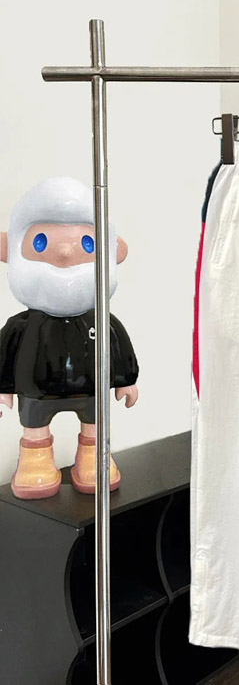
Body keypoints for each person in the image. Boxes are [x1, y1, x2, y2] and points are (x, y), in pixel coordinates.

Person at [0, 176, 139, 499]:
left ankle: (93, 456)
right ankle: (35, 461)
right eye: (40, 242)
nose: (64, 252)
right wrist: (4, 388)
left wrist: (126, 380)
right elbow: (6, 351)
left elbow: (117, 345)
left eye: (86, 244)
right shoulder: (22, 325)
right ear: (8, 249)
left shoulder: (100, 320)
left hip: (90, 388)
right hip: (35, 391)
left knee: (95, 423)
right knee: (34, 427)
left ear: (113, 250)